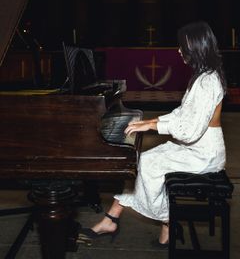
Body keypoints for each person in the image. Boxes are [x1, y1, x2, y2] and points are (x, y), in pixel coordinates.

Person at [78, 21, 227, 249]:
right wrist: (151, 121)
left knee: (147, 164)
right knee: (141, 160)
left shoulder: (207, 82)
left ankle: (167, 220)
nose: (179, 51)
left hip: (204, 154)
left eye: (183, 46)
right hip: (197, 149)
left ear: (197, 47)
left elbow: (189, 131)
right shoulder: (204, 76)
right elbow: (183, 114)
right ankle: (113, 217)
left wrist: (152, 127)